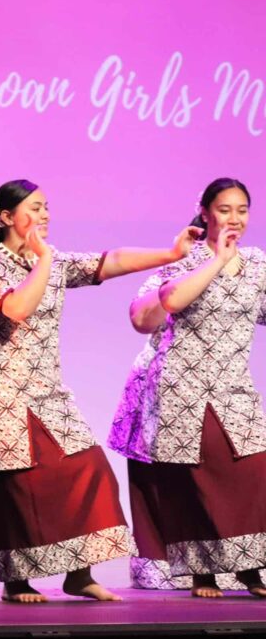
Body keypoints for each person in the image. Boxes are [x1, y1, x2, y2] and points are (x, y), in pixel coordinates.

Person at [0, 178, 200, 603]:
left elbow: (110, 262)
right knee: (13, 486)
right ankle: (16, 582)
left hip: (46, 388)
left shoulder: (51, 261)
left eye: (46, 207)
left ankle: (79, 574)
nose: (45, 215)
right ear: (7, 217)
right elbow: (16, 308)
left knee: (88, 470)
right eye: (35, 208)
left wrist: (170, 254)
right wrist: (45, 260)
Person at [114, 178, 266, 598]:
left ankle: (250, 567)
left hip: (234, 386)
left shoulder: (257, 263)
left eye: (242, 210)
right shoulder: (185, 259)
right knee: (197, 480)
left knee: (253, 473)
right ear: (205, 212)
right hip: (184, 385)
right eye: (225, 209)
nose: (234, 218)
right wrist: (217, 260)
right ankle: (203, 573)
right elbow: (167, 303)